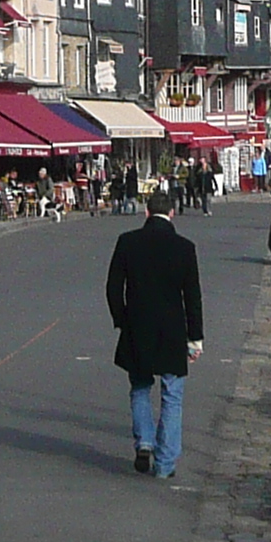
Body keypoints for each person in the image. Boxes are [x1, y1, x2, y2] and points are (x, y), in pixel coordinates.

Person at [106, 187, 205, 478]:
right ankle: (165, 464)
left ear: (146, 212)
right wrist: (195, 337)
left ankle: (145, 442)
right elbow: (193, 297)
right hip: (173, 330)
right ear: (172, 213)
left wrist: (122, 319)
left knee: (139, 387)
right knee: (172, 395)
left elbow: (113, 288)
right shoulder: (185, 248)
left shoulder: (127, 242)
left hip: (137, 326)